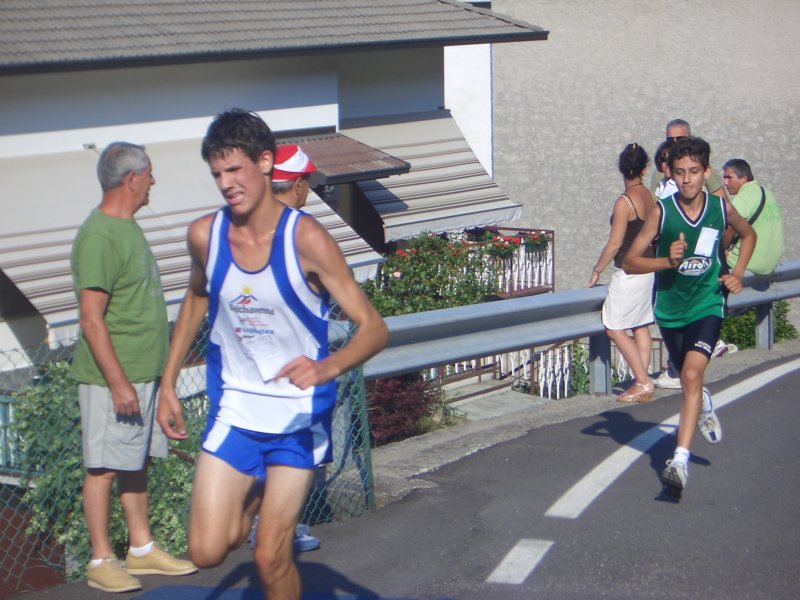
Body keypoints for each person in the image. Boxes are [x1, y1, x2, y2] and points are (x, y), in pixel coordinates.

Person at [156, 109, 389, 600]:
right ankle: (256, 489)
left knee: (269, 556)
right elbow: (196, 297)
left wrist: (327, 366)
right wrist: (168, 382)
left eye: (234, 169)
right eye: (216, 174)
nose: (226, 183)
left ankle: (270, 494)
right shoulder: (205, 236)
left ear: (265, 162)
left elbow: (373, 328)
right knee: (206, 551)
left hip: (297, 415)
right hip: (237, 407)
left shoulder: (306, 239)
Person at [70, 142, 197, 593]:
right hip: (114, 379)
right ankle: (101, 558)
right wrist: (119, 383)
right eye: (148, 174)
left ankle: (141, 548)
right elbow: (91, 319)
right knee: (103, 467)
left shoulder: (126, 227)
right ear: (130, 179)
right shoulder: (100, 236)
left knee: (134, 460)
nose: (153, 182)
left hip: (142, 374)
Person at [623, 137, 756, 498]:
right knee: (688, 379)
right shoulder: (661, 212)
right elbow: (630, 261)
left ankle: (678, 461)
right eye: (680, 172)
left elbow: (748, 235)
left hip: (707, 304)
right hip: (669, 310)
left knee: (693, 374)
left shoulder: (719, 207)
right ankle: (703, 402)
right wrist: (666, 261)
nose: (687, 180)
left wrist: (738, 273)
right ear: (671, 174)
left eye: (694, 172)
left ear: (706, 172)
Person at [589, 143, 655, 403]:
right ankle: (641, 379)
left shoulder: (624, 202)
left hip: (629, 270)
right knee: (640, 325)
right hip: (648, 268)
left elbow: (615, 243)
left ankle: (642, 382)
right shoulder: (648, 196)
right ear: (644, 169)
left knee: (614, 327)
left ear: (621, 169)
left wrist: (597, 270)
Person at [722, 158, 784, 275]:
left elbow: (729, 229)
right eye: (724, 178)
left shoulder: (743, 198)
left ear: (744, 178)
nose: (725, 183)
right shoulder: (767, 193)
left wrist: (720, 251)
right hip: (770, 266)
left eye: (729, 177)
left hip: (746, 265)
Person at [648, 118, 727, 200]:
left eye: (680, 139)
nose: (675, 142)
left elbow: (722, 202)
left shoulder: (702, 169)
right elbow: (653, 202)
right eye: (670, 140)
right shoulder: (660, 173)